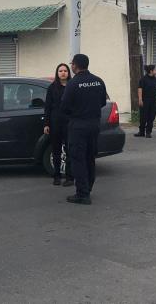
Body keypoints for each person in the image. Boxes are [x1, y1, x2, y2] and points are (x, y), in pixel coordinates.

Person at [61, 54, 107, 205]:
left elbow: (65, 106)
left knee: (78, 159)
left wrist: (77, 113)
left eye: (72, 64)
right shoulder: (98, 81)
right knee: (89, 158)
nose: (71, 66)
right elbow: (102, 102)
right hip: (94, 125)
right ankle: (88, 187)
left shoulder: (73, 84)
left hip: (78, 126)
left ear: (75, 65)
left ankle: (82, 194)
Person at [44, 63, 73, 187]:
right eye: (60, 71)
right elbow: (47, 107)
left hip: (70, 122)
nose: (63, 73)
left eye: (65, 70)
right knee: (56, 150)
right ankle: (56, 176)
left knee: (69, 150)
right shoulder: (52, 88)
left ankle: (69, 176)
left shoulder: (72, 86)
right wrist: (46, 123)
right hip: (55, 121)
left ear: (68, 72)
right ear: (57, 73)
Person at [135, 64, 156, 139]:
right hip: (145, 100)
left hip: (153, 100)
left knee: (151, 116)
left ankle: (148, 132)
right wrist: (140, 99)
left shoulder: (155, 78)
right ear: (151, 71)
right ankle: (141, 131)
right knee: (143, 116)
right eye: (155, 70)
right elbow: (140, 89)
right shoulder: (143, 79)